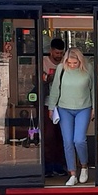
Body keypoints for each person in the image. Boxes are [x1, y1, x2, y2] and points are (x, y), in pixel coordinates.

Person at [46, 48, 96, 187]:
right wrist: (51, 107)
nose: (72, 65)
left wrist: (94, 107)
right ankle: (72, 174)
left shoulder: (88, 68)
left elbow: (94, 89)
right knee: (67, 141)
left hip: (84, 108)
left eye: (75, 62)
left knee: (79, 140)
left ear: (80, 60)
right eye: (70, 62)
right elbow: (55, 89)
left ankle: (84, 166)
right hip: (64, 109)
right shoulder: (61, 68)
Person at [40, 38, 67, 177]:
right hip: (47, 103)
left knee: (62, 136)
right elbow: (38, 79)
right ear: (51, 51)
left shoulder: (66, 62)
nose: (59, 56)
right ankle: (48, 167)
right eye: (57, 53)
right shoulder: (43, 62)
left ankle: (59, 165)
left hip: (64, 104)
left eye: (61, 53)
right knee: (49, 136)